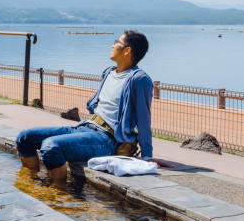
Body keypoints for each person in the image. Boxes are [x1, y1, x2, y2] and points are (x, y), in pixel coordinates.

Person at [16, 29, 158, 183]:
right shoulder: (109, 73)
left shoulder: (139, 80)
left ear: (127, 50)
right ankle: (31, 183)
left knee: (51, 147)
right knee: (25, 138)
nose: (112, 45)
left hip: (106, 139)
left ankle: (59, 193)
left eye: (117, 42)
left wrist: (147, 156)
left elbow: (144, 120)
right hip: (85, 127)